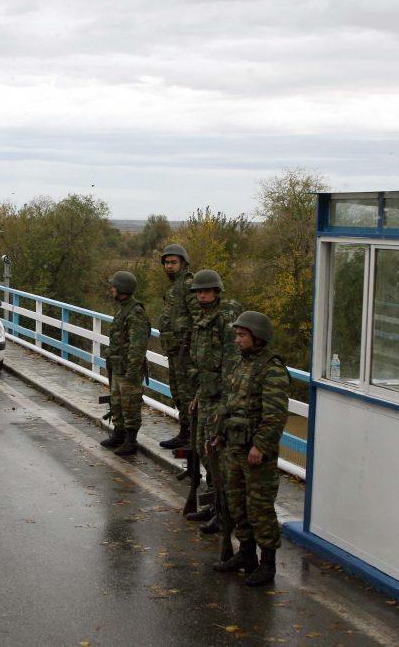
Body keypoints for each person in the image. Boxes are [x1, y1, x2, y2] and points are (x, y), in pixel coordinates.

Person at [210, 311, 289, 586]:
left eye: (242, 335)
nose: (237, 340)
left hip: (255, 453)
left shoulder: (271, 369)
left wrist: (261, 446)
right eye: (237, 334)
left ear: (257, 337)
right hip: (233, 446)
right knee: (237, 504)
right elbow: (229, 402)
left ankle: (267, 563)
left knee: (260, 508)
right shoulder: (240, 365)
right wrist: (219, 434)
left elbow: (275, 415)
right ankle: (246, 554)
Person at [186, 269, 242, 532]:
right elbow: (203, 363)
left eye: (207, 290)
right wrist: (198, 395)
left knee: (217, 454)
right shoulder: (203, 318)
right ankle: (214, 502)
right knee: (203, 449)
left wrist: (224, 406)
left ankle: (224, 512)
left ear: (217, 291)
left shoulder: (225, 320)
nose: (202, 294)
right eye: (199, 291)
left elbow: (231, 365)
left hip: (221, 396)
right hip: (206, 393)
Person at [99, 271, 151, 456]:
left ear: (122, 289)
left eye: (114, 286)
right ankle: (119, 435)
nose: (111, 289)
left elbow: (138, 346)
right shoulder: (123, 308)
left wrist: (132, 371)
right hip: (118, 367)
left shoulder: (135, 312)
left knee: (130, 405)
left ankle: (131, 440)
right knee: (117, 403)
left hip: (128, 369)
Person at [157, 244, 199, 451]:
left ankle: (192, 437)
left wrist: (194, 348)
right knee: (178, 392)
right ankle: (185, 433)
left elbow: (199, 318)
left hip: (186, 352)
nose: (169, 266)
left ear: (183, 263)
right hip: (175, 351)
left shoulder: (189, 284)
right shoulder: (175, 286)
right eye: (166, 262)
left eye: (173, 262)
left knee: (188, 394)